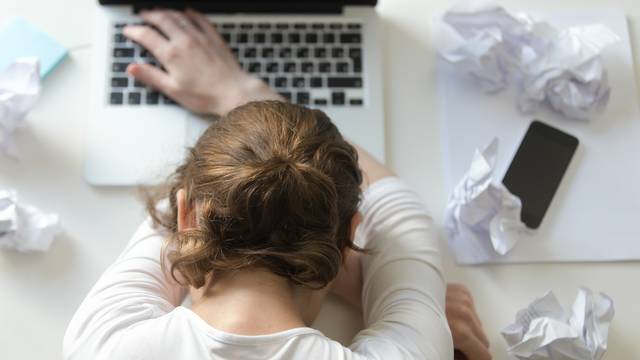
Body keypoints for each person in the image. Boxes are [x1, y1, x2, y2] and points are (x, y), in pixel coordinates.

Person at [63, 9, 491, 360]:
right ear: (349, 237)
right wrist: (419, 305)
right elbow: (399, 212)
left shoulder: (100, 343)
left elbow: (179, 215)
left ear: (186, 215)